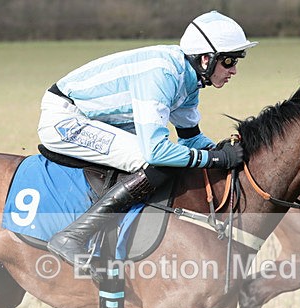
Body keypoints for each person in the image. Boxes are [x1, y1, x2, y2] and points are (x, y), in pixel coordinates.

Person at [38, 11, 257, 267]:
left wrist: (227, 151)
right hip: (65, 119)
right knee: (158, 162)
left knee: (176, 158)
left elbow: (191, 139)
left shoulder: (189, 79)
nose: (234, 70)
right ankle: (72, 236)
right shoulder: (163, 75)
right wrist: (215, 157)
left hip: (91, 118)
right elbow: (156, 153)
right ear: (206, 59)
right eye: (229, 61)